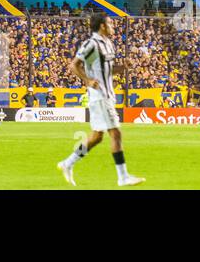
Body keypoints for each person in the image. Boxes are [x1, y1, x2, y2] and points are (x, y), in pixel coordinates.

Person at [57, 13, 143, 187]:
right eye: (110, 23)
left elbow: (108, 71)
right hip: (99, 96)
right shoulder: (91, 44)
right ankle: (123, 177)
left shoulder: (108, 44)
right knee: (116, 133)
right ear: (102, 26)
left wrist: (123, 67)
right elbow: (74, 65)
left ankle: (68, 163)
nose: (113, 26)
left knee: (97, 137)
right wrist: (87, 80)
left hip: (107, 95)